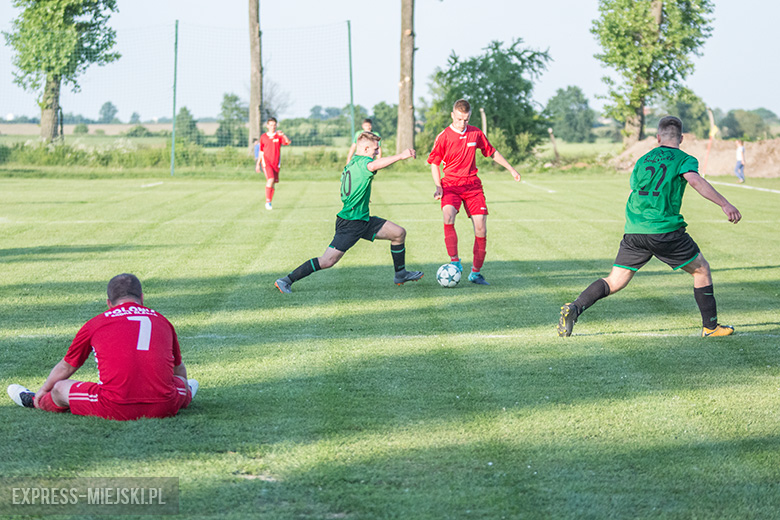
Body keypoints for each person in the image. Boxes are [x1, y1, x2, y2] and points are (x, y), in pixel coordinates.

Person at [558, 116, 742, 338]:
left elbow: (632, 192)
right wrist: (725, 204)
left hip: (635, 230)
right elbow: (695, 181)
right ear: (681, 138)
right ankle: (711, 327)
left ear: (657, 137)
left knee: (614, 281)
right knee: (701, 269)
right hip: (664, 230)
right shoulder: (684, 158)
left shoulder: (643, 160)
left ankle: (575, 308)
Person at [7, 274, 198, 420]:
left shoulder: (96, 323)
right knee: (181, 382)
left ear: (109, 303)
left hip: (115, 406)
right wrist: (181, 396)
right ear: (142, 297)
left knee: (59, 388)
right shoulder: (163, 321)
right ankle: (186, 394)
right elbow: (178, 368)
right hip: (163, 406)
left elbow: (67, 366)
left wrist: (43, 389)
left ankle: (34, 401)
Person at [275, 132, 422, 293]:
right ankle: (286, 280)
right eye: (375, 148)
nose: (377, 151)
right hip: (351, 223)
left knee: (398, 233)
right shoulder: (365, 162)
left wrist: (362, 198)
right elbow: (373, 166)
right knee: (327, 261)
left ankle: (400, 274)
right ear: (366, 148)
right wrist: (401, 156)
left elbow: (353, 184)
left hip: (362, 219)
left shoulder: (354, 162)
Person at [427, 99, 522, 285]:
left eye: (466, 119)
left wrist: (511, 169)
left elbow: (492, 152)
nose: (463, 123)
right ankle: (455, 261)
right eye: (460, 119)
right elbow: (434, 163)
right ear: (453, 115)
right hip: (451, 185)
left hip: (472, 186)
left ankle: (476, 273)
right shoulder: (444, 136)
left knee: (481, 227)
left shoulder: (475, 133)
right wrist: (438, 186)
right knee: (448, 216)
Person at [257, 117, 291, 210]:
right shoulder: (263, 137)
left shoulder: (278, 136)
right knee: (270, 179)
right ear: (267, 126)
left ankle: (270, 201)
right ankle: (267, 202)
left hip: (276, 163)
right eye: (271, 125)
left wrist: (283, 135)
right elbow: (261, 151)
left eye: (274, 125)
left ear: (276, 125)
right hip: (266, 162)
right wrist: (258, 164)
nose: (273, 127)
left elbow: (287, 142)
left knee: (273, 183)